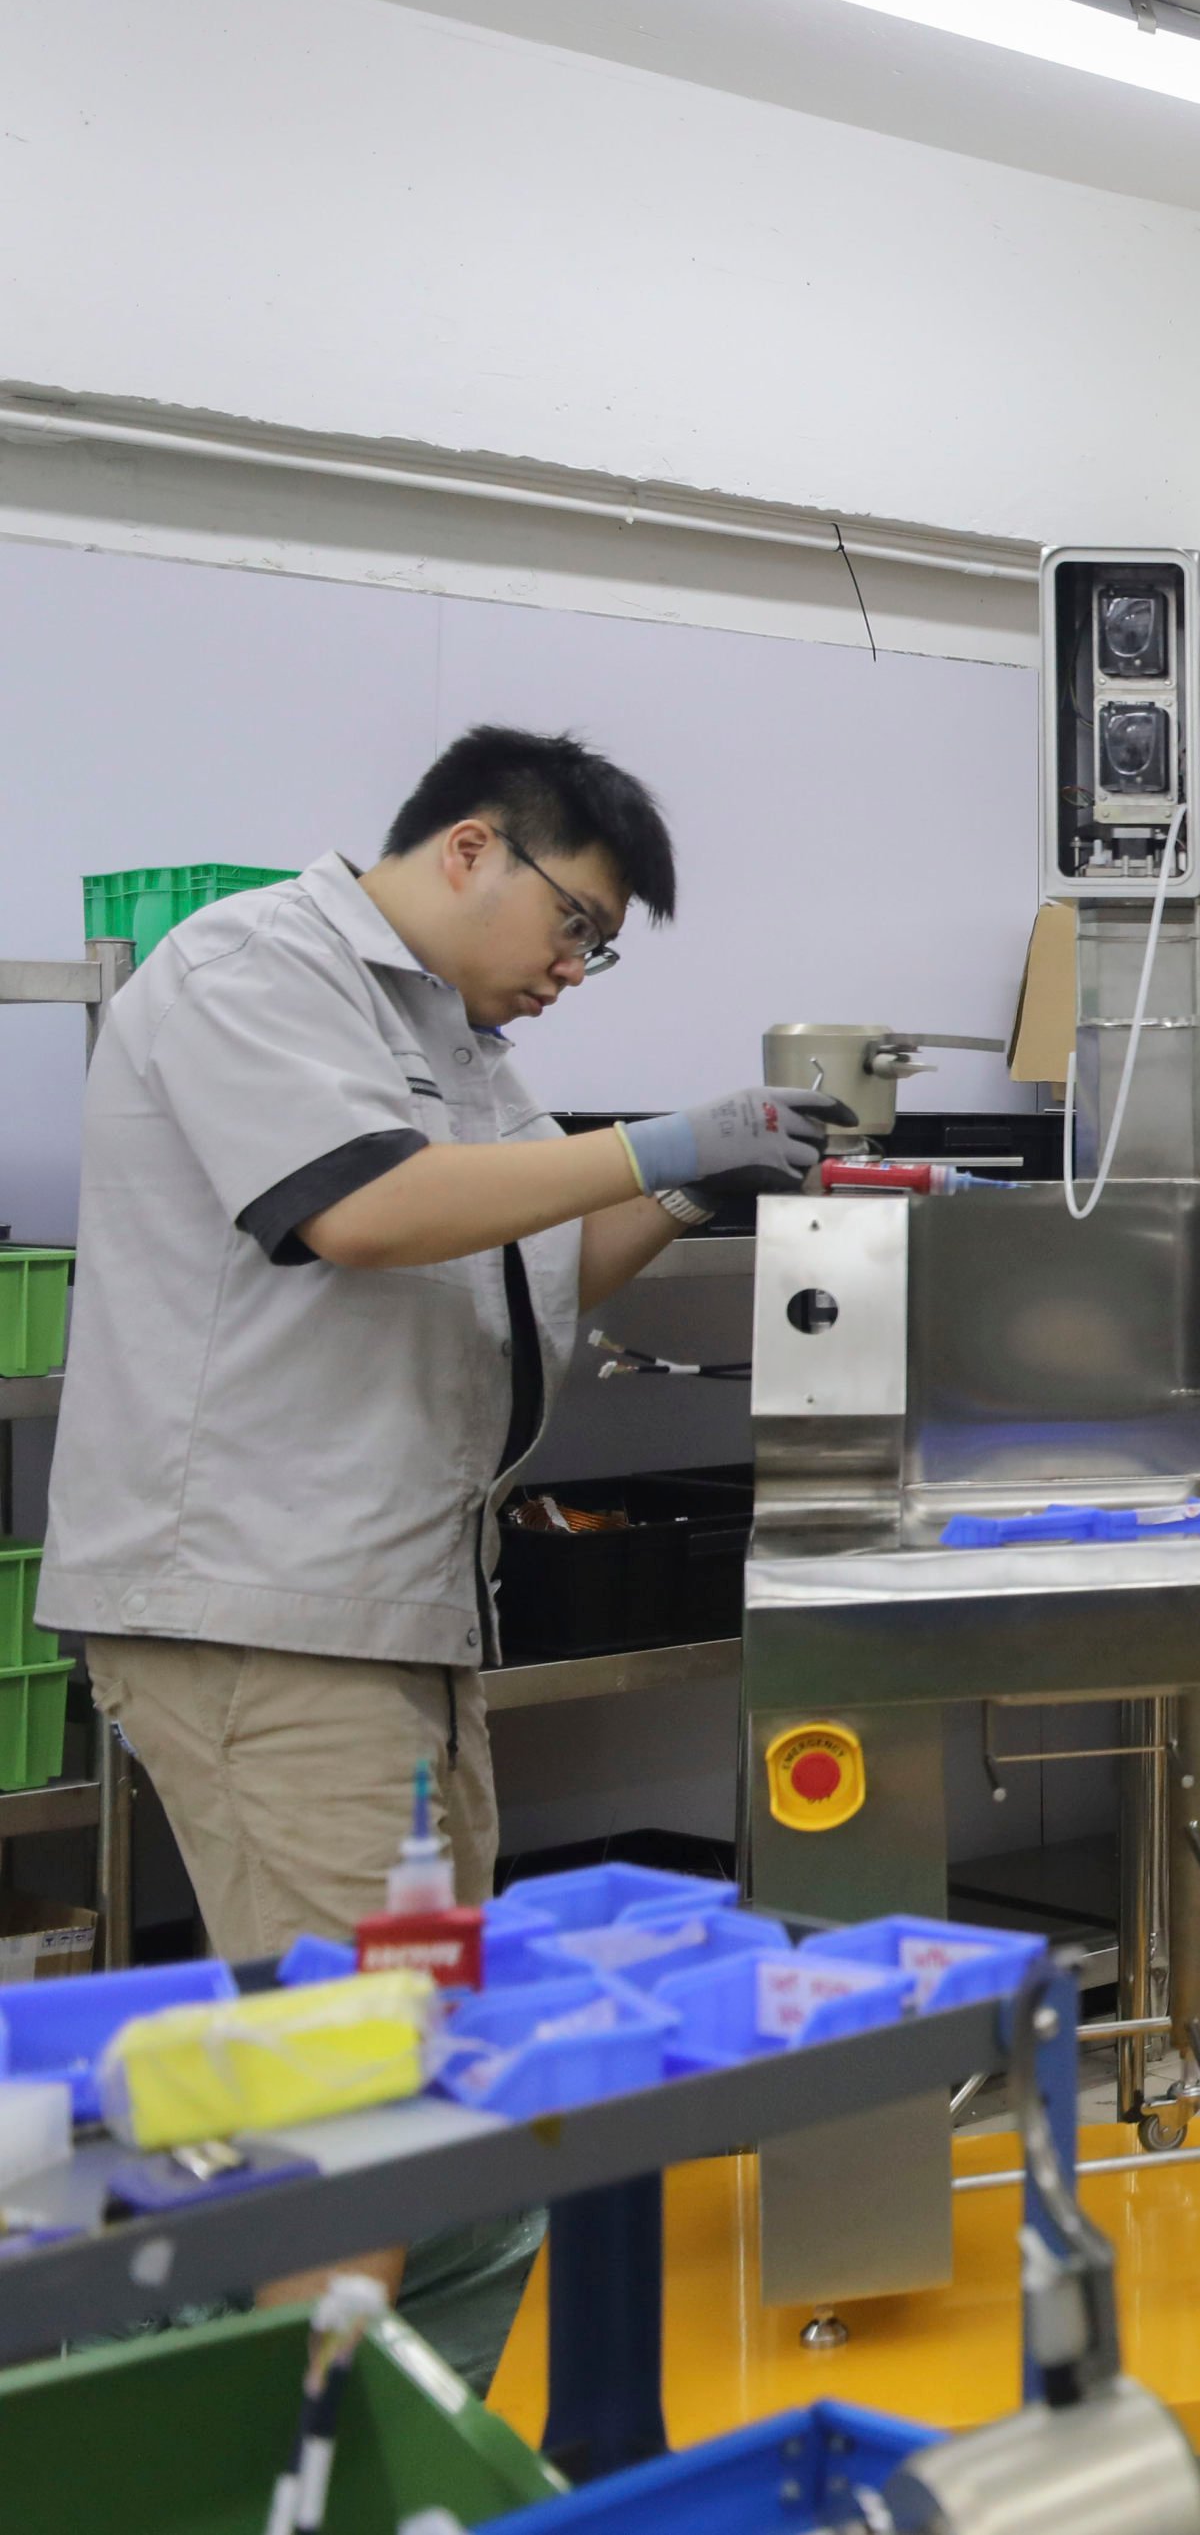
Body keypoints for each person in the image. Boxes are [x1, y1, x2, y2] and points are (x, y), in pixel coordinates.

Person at [44, 727, 839, 1963]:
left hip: (399, 1607)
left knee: (425, 2029)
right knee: (359, 2057)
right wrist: (661, 1142)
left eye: (598, 946)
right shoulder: (254, 964)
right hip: (270, 1613)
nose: (575, 968)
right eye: (574, 924)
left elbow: (542, 1262)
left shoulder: (455, 1050)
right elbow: (360, 1211)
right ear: (472, 848)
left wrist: (702, 1185)